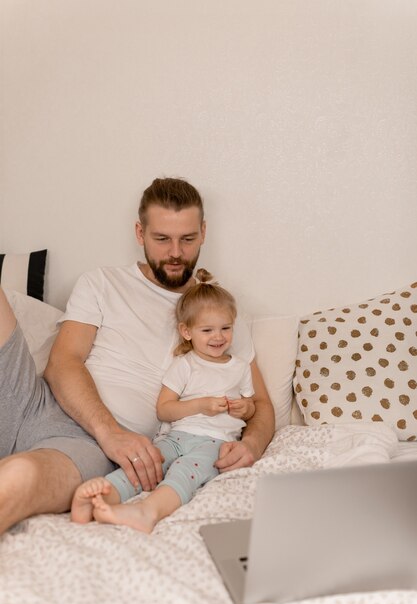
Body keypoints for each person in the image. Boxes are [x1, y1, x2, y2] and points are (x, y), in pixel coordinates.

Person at [0, 177, 275, 536]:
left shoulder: (217, 313)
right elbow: (62, 363)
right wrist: (111, 432)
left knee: (18, 480)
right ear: (140, 232)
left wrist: (251, 444)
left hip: (82, 443)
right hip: (33, 399)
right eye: (162, 238)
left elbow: (262, 403)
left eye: (187, 239)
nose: (175, 252)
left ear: (203, 233)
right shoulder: (101, 282)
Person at [71, 270, 255, 532]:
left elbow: (251, 406)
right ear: (187, 331)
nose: (218, 336)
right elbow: (165, 409)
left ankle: (147, 511)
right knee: (148, 463)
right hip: (176, 436)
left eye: (226, 328)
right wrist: (200, 405)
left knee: (185, 471)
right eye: (207, 330)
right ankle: (99, 499)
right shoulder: (184, 365)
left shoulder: (239, 367)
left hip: (216, 443)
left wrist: (245, 408)